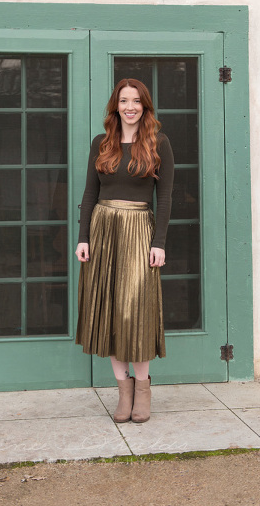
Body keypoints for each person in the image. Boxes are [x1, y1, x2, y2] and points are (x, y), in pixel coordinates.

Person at [75, 78, 174, 424]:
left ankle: (143, 390)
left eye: (135, 101)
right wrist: (83, 237)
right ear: (115, 107)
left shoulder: (159, 142)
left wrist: (159, 242)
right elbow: (89, 193)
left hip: (139, 230)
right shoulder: (101, 143)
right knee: (108, 310)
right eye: (123, 101)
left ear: (145, 106)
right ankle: (124, 391)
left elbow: (165, 199)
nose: (129, 107)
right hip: (103, 231)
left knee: (136, 311)